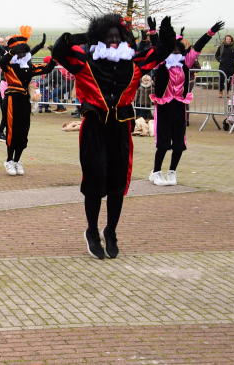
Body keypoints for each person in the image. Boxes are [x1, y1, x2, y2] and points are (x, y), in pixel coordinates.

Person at [52, 14, 175, 260]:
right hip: (94, 128)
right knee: (95, 183)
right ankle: (91, 230)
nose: (114, 42)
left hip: (120, 130)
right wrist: (85, 37)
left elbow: (162, 52)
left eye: (118, 37)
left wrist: (165, 31)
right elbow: (58, 50)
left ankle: (111, 231)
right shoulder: (84, 61)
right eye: (108, 37)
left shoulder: (135, 62)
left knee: (117, 185)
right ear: (99, 38)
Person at [148, 20, 224, 186]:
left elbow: (198, 47)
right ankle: (156, 171)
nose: (175, 49)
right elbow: (156, 47)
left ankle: (172, 171)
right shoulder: (161, 61)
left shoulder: (185, 62)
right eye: (172, 46)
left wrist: (210, 32)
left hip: (179, 106)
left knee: (179, 142)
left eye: (178, 46)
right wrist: (153, 32)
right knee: (163, 142)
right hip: (164, 106)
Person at [0, 28, 56, 175]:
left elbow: (47, 69)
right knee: (12, 130)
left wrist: (55, 57)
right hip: (12, 99)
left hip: (24, 101)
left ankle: (16, 160)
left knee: (24, 131)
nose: (21, 55)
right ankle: (8, 160)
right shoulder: (9, 66)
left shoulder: (29, 68)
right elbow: (2, 61)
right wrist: (10, 50)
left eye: (23, 52)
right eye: (19, 52)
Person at [215, 34, 234, 98]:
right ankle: (220, 92)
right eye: (227, 39)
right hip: (223, 65)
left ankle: (227, 92)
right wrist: (219, 60)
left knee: (228, 80)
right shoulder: (221, 47)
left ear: (231, 40)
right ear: (225, 40)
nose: (228, 40)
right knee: (222, 79)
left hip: (231, 66)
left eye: (229, 39)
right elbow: (216, 55)